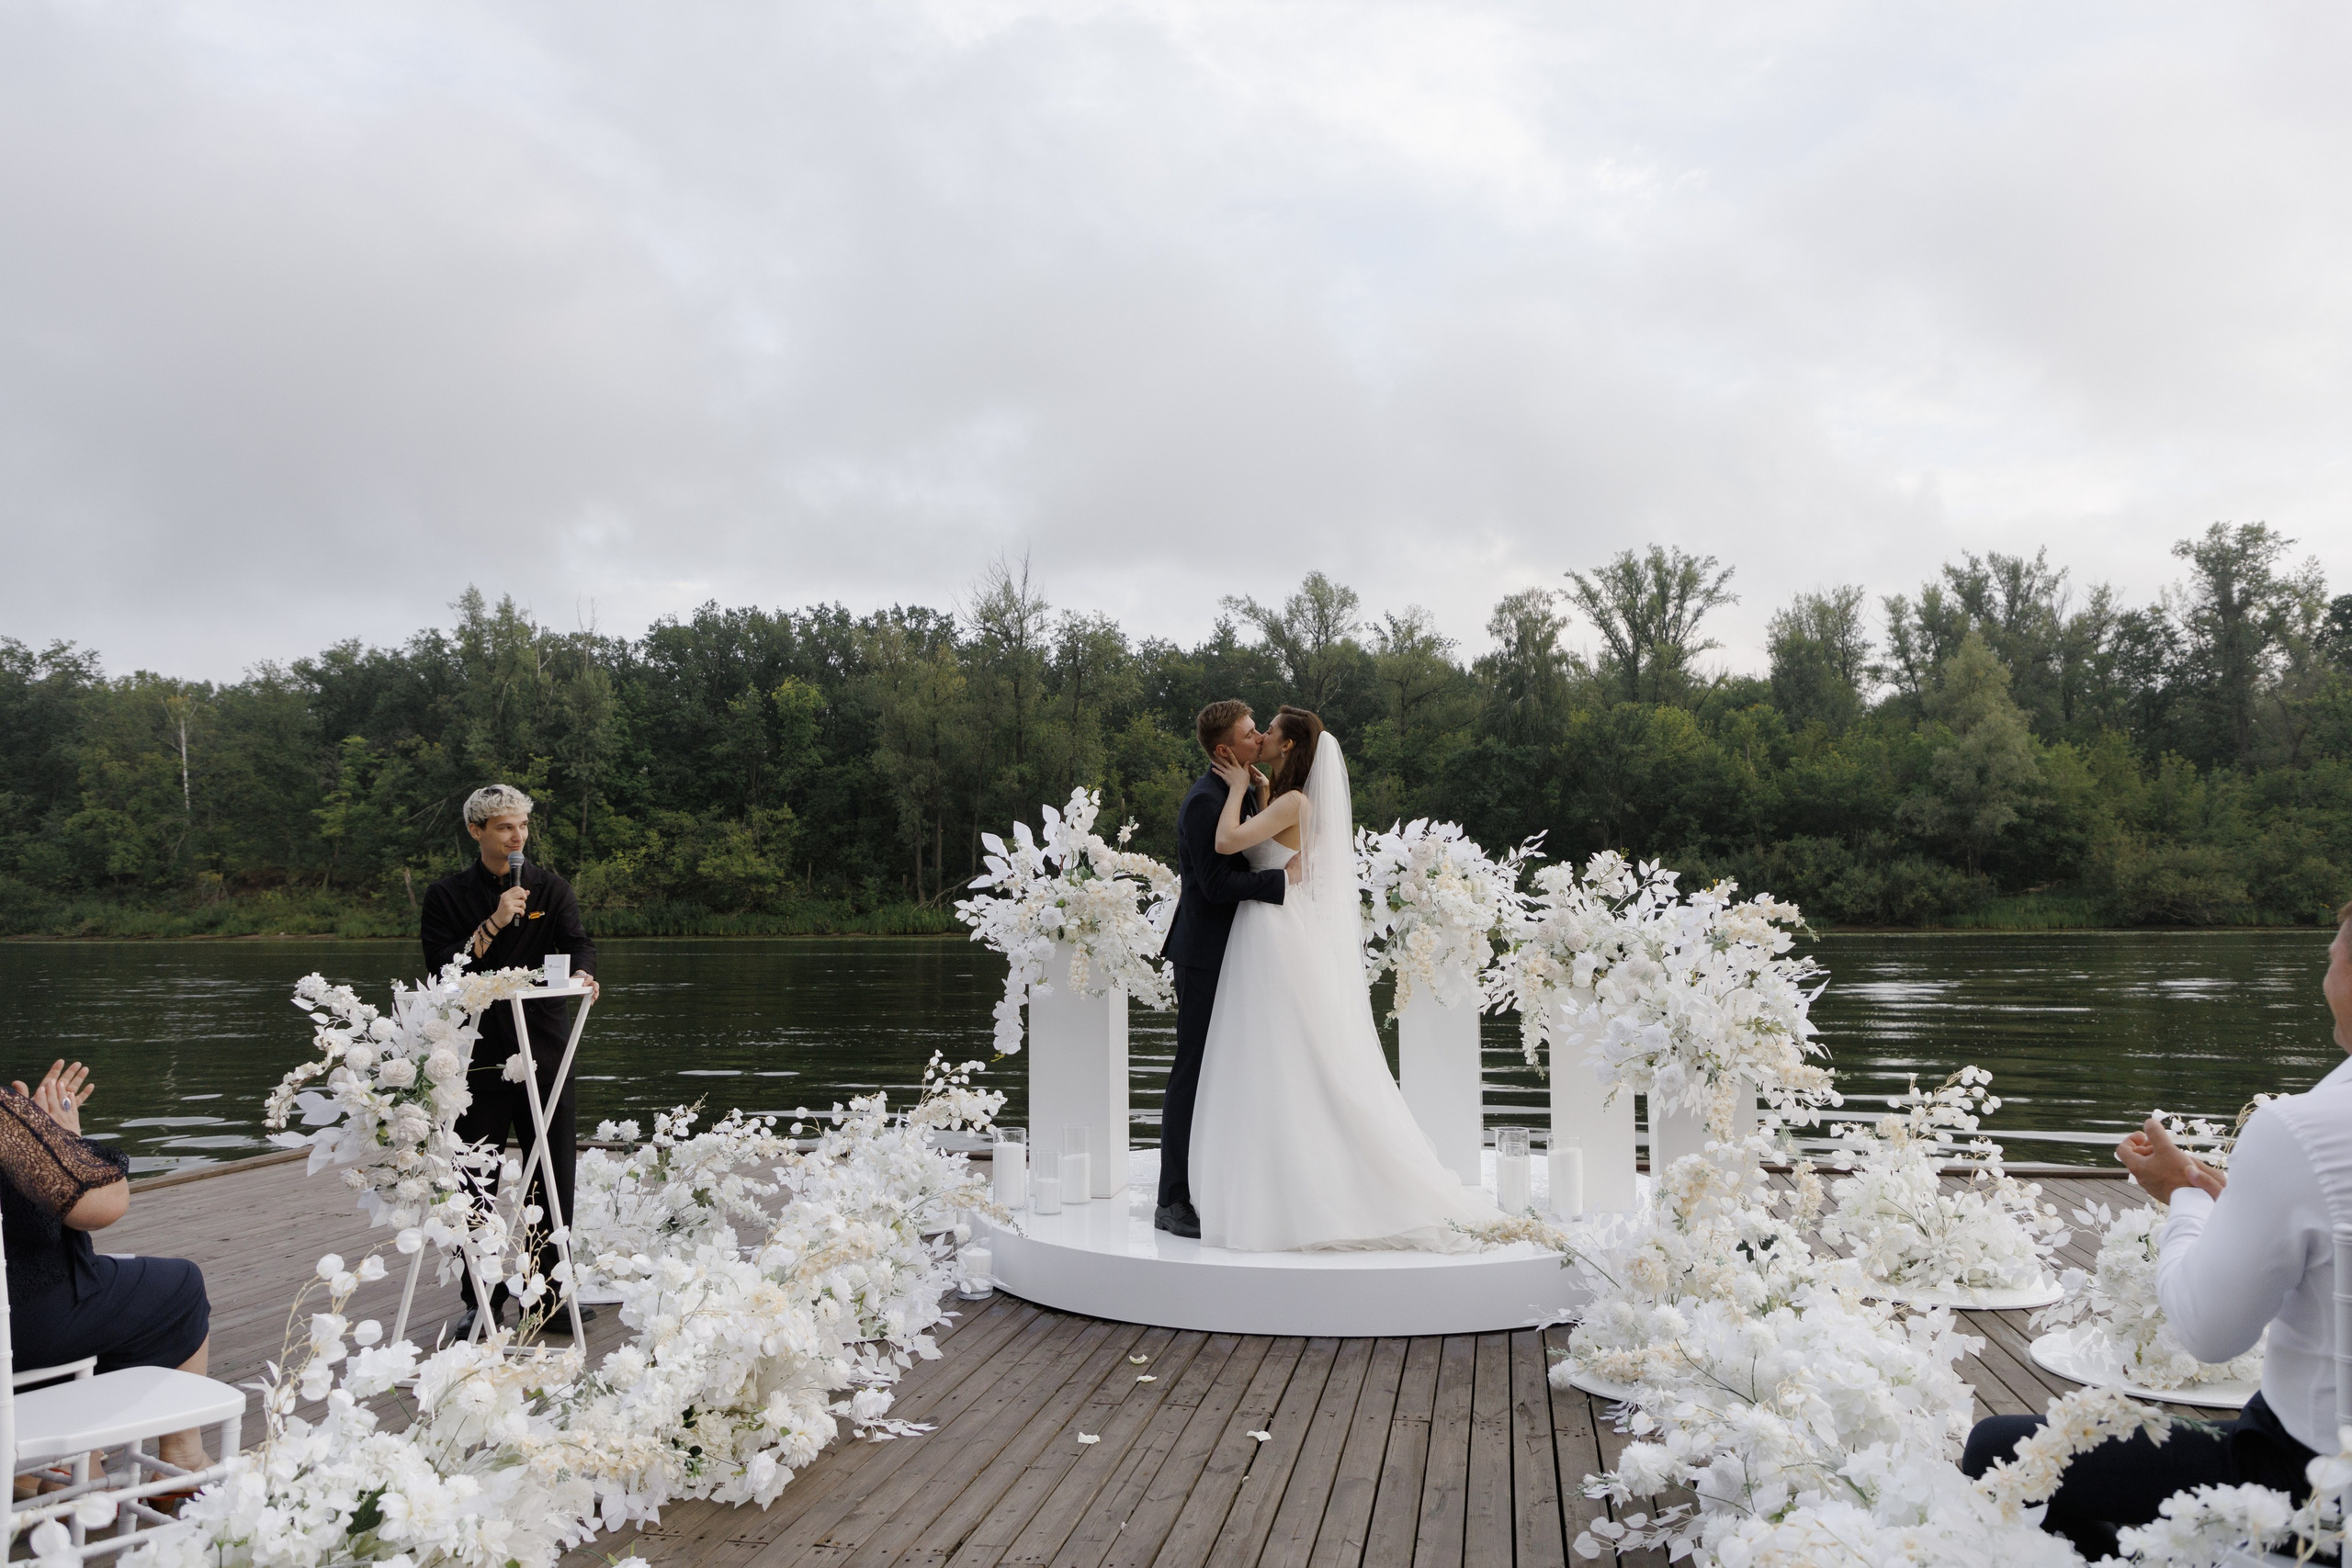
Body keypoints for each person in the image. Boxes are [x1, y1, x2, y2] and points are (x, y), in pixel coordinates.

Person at [1958, 904, 2352, 1557]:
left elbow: (2209, 1332)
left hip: (2306, 1480)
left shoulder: (2303, 1129)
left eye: (2332, 955)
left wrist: (2184, 1195)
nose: (2323, 977)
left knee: (1997, 1451)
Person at [1186, 705, 1504, 1252]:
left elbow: (1226, 845)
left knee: (1279, 1055)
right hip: (1271, 927)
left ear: (1288, 748)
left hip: (1270, 931)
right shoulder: (1285, 797)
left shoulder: (1293, 800)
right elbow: (1298, 865)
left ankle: (1291, 1191)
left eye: (1270, 733)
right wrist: (1256, 789)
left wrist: (1238, 788)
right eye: (1251, 733)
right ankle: (1276, 1180)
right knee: (1273, 1057)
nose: (1261, 737)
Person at [419, 784, 601, 1337]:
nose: (517, 836)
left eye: (522, 825)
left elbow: (578, 942)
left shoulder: (551, 886)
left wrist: (585, 974)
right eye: (504, 827)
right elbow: (441, 972)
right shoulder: (447, 895)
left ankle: (547, 1294)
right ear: (477, 832)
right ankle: (482, 1297)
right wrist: (495, 921)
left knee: (553, 1173)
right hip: (476, 1057)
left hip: (544, 1049)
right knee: (475, 1176)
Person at [4, 1059, 215, 1475]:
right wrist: (62, 1139)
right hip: (17, 1334)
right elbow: (103, 1204)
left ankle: (59, 1465)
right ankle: (183, 1457)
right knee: (179, 1287)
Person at [1155, 700, 1297, 1237]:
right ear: (1224, 750)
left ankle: (1217, 1183)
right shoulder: (1203, 801)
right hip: (1204, 956)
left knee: (1231, 1071)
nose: (1258, 736)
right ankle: (1171, 1201)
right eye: (1248, 732)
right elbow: (1215, 887)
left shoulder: (1239, 790)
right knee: (1190, 1073)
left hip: (1239, 956)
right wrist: (1285, 884)